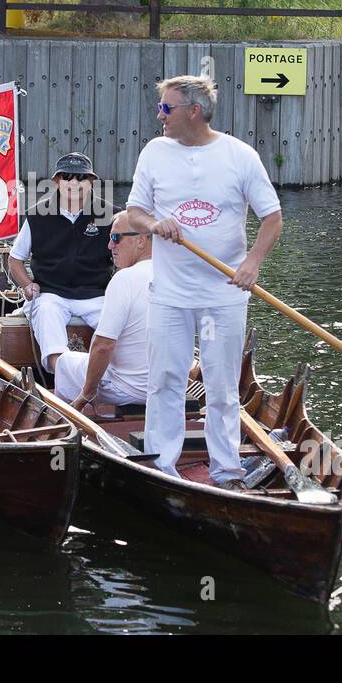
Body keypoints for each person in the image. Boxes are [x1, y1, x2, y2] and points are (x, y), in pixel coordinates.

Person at [126, 75, 283, 489]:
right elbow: (134, 212)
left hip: (223, 294)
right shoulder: (155, 153)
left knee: (221, 384)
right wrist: (156, 223)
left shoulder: (239, 156)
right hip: (170, 294)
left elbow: (272, 217)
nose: (159, 115)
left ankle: (227, 471)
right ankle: (162, 466)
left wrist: (253, 263)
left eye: (166, 108)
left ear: (193, 112)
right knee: (165, 380)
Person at [6, 151, 113, 374]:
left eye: (81, 177)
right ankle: (61, 371)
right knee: (45, 311)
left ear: (92, 182)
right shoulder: (36, 215)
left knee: (118, 324)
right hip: (51, 293)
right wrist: (27, 285)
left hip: (96, 295)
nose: (74, 182)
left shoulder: (111, 215)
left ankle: (106, 375)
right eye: (67, 176)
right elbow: (15, 260)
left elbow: (127, 259)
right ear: (56, 182)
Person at [53, 210, 153, 417]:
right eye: (109, 238)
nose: (110, 246)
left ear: (142, 241)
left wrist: (86, 394)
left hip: (130, 389)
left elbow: (103, 346)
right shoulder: (178, 276)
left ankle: (80, 419)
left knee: (65, 362)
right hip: (169, 389)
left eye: (116, 238)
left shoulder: (125, 279)